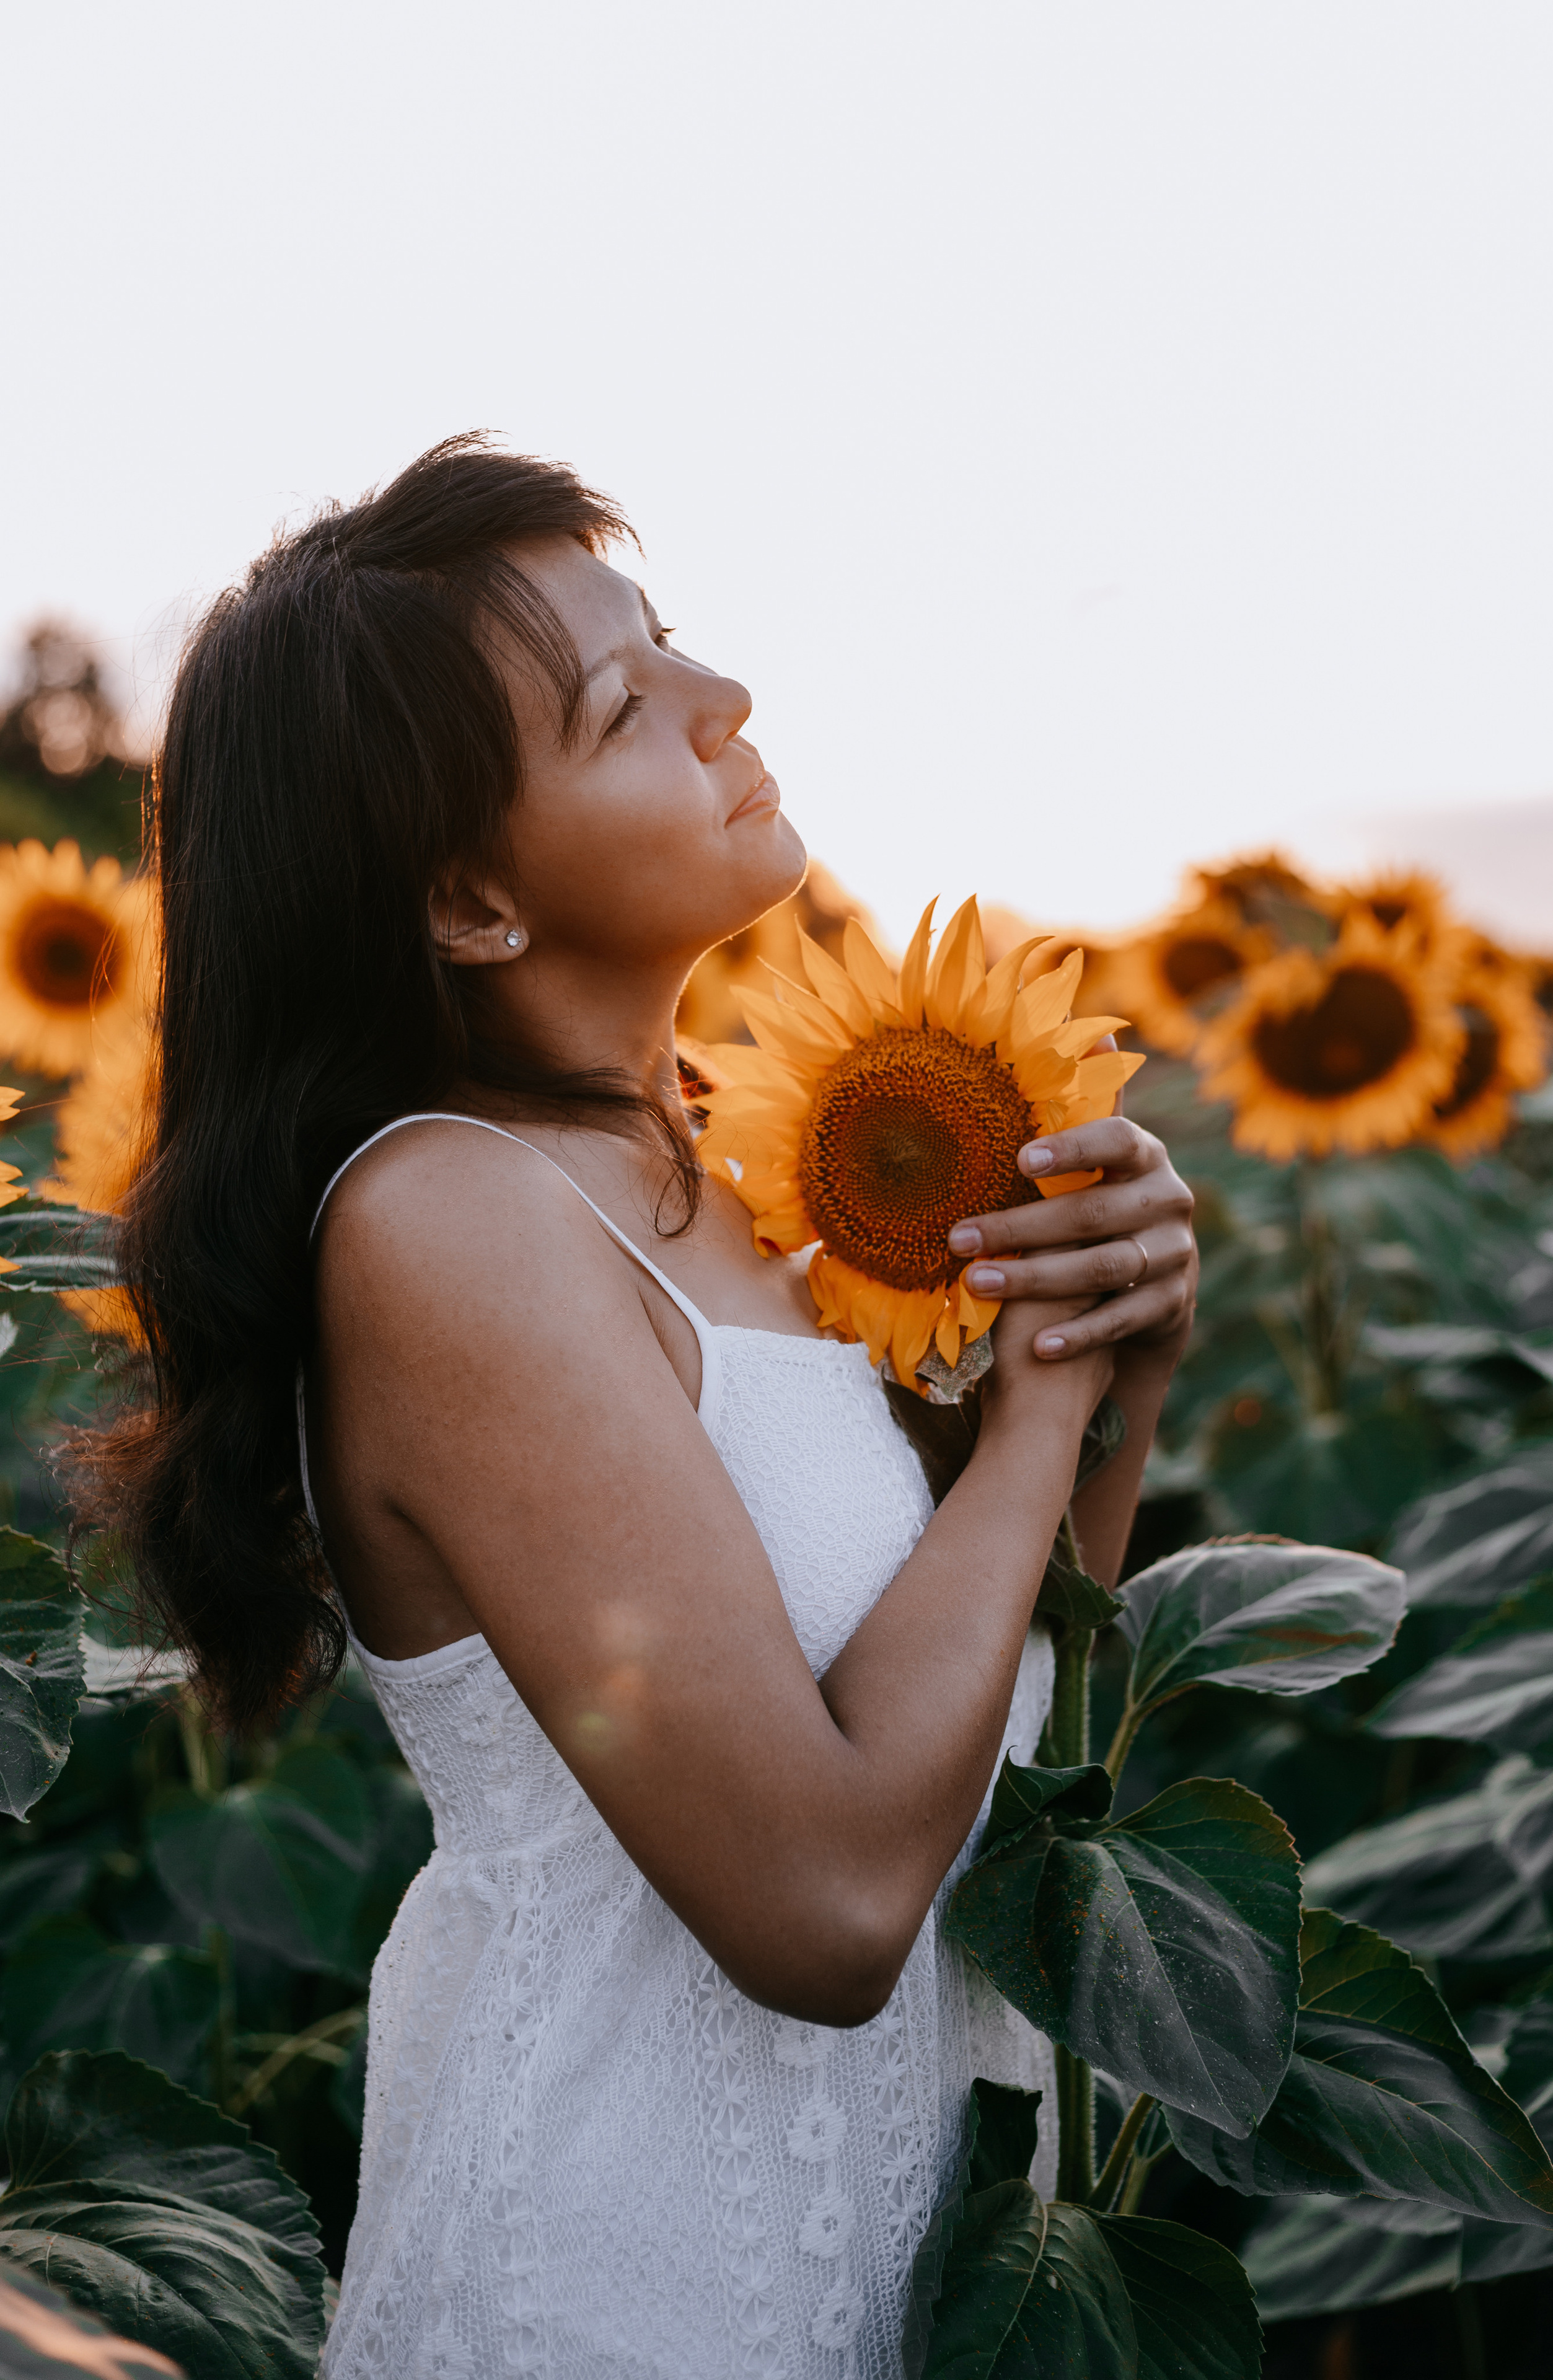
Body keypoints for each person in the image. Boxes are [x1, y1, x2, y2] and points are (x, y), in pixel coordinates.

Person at [92, 438, 1197, 2379]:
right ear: (472, 905)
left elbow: (998, 1746)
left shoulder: (752, 1196)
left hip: (886, 2267)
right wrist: (1029, 1427)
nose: (726, 701)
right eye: (625, 704)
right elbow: (829, 1904)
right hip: (628, 2291)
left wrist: (1111, 1375)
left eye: (668, 640)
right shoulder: (451, 1223)